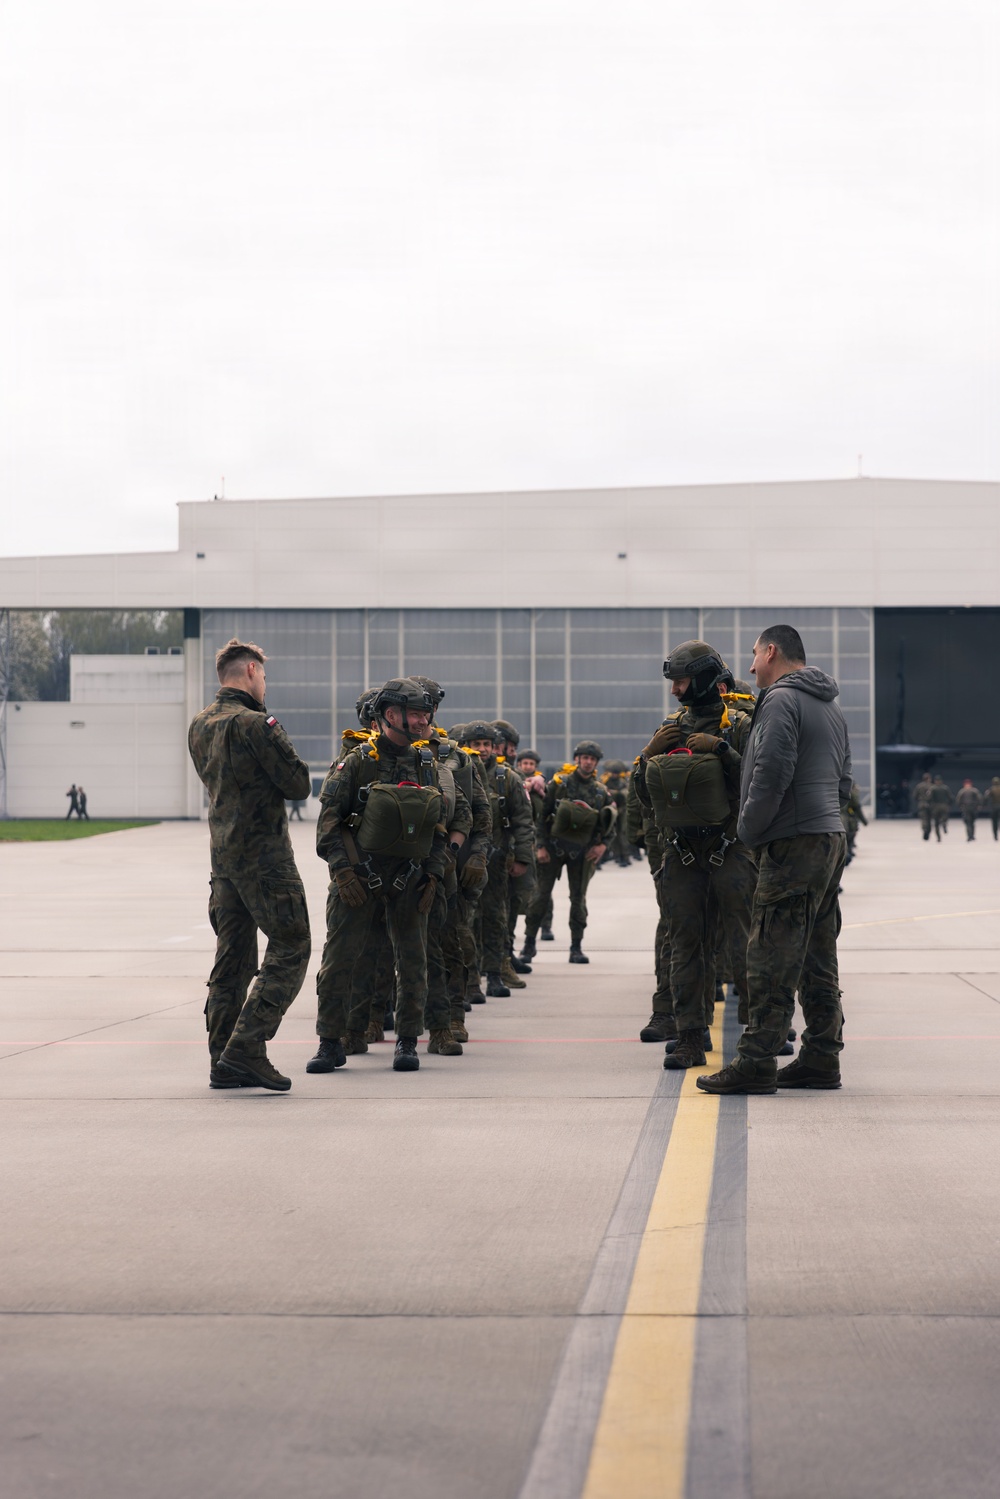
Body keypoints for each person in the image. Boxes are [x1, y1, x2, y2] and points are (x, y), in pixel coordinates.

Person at [697, 624, 851, 1096]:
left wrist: (748, 829)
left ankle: (756, 1061)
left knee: (769, 952)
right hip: (827, 836)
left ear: (771, 651)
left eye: (753, 655)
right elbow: (844, 778)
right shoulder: (829, 703)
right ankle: (821, 1056)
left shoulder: (782, 699)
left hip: (791, 841)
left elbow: (770, 770)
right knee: (818, 952)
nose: (749, 667)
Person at [188, 638, 312, 1092]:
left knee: (233, 959)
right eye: (264, 676)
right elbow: (298, 784)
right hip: (266, 859)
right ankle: (247, 1047)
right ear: (252, 672)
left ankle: (222, 1058)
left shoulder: (199, 724)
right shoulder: (256, 725)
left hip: (224, 860)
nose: (265, 685)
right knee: (292, 944)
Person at [311, 678, 450, 1074]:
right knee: (339, 959)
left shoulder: (427, 765)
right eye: (417, 714)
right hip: (358, 877)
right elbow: (328, 824)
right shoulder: (357, 762)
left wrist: (433, 876)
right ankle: (329, 1042)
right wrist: (343, 873)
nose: (424, 721)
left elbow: (438, 827)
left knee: (413, 961)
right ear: (391, 715)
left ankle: (407, 1041)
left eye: (425, 714)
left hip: (410, 878)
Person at [636, 641, 757, 1070]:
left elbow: (758, 784)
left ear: (704, 678)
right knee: (685, 943)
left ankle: (759, 1031)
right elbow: (645, 796)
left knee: (744, 942)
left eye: (682, 681)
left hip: (731, 849)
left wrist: (722, 750)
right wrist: (649, 755)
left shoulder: (739, 726)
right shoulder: (670, 728)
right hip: (682, 853)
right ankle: (689, 1035)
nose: (675, 690)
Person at [521, 741, 614, 964]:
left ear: (596, 763)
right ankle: (529, 944)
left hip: (582, 853)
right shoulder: (559, 784)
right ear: (577, 759)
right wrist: (540, 846)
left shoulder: (601, 792)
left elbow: (610, 823)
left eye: (592, 759)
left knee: (578, 900)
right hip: (552, 849)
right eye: (585, 757)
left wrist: (603, 845)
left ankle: (576, 947)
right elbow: (542, 817)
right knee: (539, 897)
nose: (588, 762)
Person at [459, 722, 533, 996]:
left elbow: (523, 821)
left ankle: (493, 975)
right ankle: (469, 979)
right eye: (476, 744)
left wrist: (522, 858)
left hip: (496, 861)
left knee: (494, 918)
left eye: (486, 744)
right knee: (465, 920)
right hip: (462, 861)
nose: (482, 749)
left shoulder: (507, 778)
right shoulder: (455, 773)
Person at [842, 782, 866, 862]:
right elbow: (857, 806)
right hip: (845, 819)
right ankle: (847, 852)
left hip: (844, 818)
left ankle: (847, 852)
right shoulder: (850, 793)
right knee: (848, 835)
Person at [912, 772, 934, 841]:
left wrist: (919, 799)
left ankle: (925, 829)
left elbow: (915, 796)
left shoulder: (919, 786)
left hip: (922, 803)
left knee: (924, 818)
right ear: (929, 779)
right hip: (930, 804)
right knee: (929, 819)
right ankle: (928, 830)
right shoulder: (932, 786)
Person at [930, 776, 952, 841]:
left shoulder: (932, 788)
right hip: (944, 806)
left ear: (935, 781)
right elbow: (950, 798)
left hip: (936, 807)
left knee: (936, 823)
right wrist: (948, 805)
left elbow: (929, 798)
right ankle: (944, 823)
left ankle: (938, 837)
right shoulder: (945, 788)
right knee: (944, 818)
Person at [986, 777, 1000, 841]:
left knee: (994, 822)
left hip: (994, 807)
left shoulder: (991, 789)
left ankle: (995, 835)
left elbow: (986, 797)